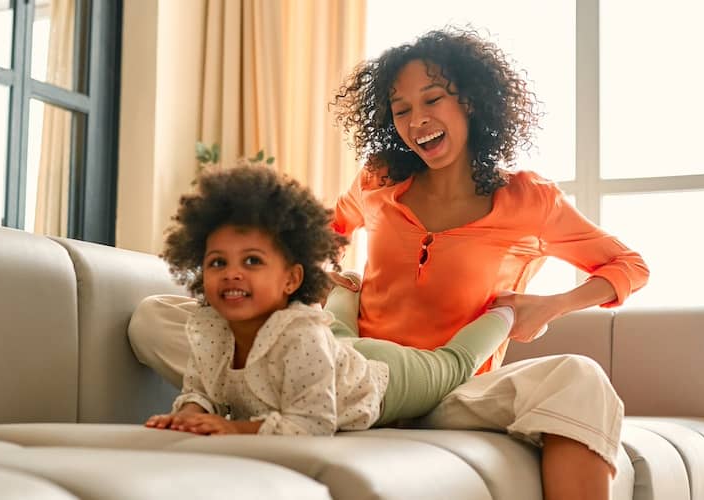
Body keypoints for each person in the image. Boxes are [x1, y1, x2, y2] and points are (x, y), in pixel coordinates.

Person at [131, 27, 648, 500]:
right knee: (155, 315)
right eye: (400, 109)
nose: (416, 120)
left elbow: (628, 266)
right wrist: (318, 273)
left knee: (578, 377)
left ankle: (293, 405)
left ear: (470, 101)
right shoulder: (378, 180)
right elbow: (325, 233)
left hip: (454, 390)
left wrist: (551, 305)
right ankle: (306, 402)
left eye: (432, 99)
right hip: (345, 369)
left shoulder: (529, 200)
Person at [143, 163, 515, 436]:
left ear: (292, 278)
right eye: (217, 262)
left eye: (252, 261)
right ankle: (348, 289)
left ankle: (508, 312)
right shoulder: (209, 328)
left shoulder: (302, 335)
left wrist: (233, 428)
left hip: (382, 378)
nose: (232, 273)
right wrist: (188, 415)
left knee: (452, 364)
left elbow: (313, 423)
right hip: (336, 352)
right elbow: (201, 390)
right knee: (336, 333)